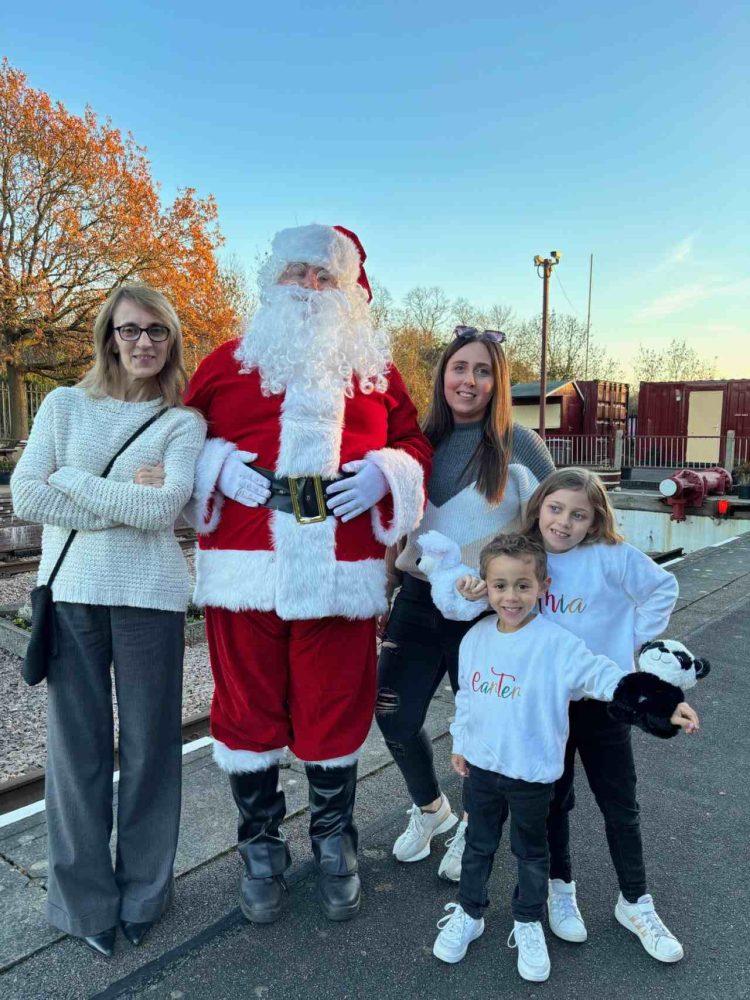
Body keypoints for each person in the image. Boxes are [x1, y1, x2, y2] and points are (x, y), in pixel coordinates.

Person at [183, 223, 431, 924]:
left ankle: (333, 842)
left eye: (325, 277)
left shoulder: (376, 374)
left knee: (335, 711)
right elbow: (178, 438)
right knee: (246, 714)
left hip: (339, 573)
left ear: (350, 290)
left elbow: (413, 440)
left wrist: (388, 472)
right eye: (299, 273)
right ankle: (261, 847)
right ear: (272, 281)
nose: (311, 288)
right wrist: (219, 467)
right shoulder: (227, 362)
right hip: (244, 568)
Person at [11, 284, 206, 957]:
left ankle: (145, 893)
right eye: (130, 330)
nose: (144, 342)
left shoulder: (183, 423)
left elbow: (162, 512)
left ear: (172, 339)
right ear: (108, 336)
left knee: (153, 749)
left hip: (150, 595)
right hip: (72, 594)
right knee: (77, 753)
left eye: (157, 330)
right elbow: (26, 494)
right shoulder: (64, 406)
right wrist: (120, 495)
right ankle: (85, 902)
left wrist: (71, 481)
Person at [431, 533, 698, 981]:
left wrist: (661, 703)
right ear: (485, 585)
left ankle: (528, 921)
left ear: (543, 587)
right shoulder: (474, 638)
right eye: (499, 585)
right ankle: (469, 913)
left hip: (533, 775)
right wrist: (460, 741)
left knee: (532, 852)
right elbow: (468, 698)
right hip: (480, 769)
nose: (510, 596)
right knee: (478, 845)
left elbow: (606, 677)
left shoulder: (557, 644)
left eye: (522, 585)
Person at [375, 328, 555, 881]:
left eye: (482, 371)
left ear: (497, 383)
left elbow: (554, 523)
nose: (469, 381)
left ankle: (476, 824)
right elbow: (396, 521)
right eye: (459, 368)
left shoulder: (518, 444)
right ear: (443, 375)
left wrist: (502, 579)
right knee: (393, 713)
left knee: (479, 727)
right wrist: (383, 587)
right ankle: (432, 811)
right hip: (420, 599)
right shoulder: (416, 439)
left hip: (489, 614)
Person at [520, 467, 688, 962]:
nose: (564, 522)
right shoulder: (528, 554)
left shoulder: (611, 556)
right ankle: (561, 886)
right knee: (555, 800)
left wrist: (631, 644)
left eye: (578, 515)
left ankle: (635, 901)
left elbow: (663, 588)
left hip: (605, 703)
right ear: (539, 507)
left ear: (594, 521)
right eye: (555, 509)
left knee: (620, 804)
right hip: (548, 703)